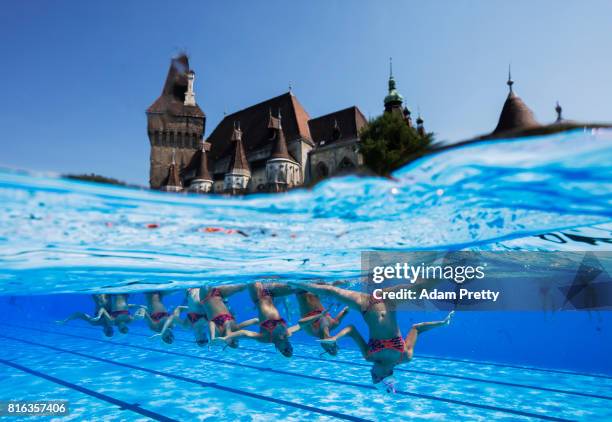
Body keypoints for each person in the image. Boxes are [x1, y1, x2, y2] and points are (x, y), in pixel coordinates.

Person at [289, 282, 453, 387]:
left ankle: (293, 282)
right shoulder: (405, 356)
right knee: (420, 289)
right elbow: (417, 328)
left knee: (331, 291)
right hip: (389, 300)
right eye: (375, 375)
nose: (371, 371)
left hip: (365, 305)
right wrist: (442, 323)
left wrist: (335, 338)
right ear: (387, 375)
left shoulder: (369, 356)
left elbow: (352, 330)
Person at [213, 282, 313, 357]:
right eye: (291, 349)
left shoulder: (266, 338)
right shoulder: (287, 334)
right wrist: (318, 316)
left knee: (253, 274)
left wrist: (226, 338)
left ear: (278, 349)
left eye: (286, 350)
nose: (289, 347)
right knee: (300, 287)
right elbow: (300, 326)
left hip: (258, 295)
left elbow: (245, 333)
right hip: (272, 293)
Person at [295, 288, 349, 355]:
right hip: (316, 288)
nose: (331, 344)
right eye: (334, 346)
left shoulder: (312, 331)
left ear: (322, 344)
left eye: (328, 349)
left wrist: (320, 315)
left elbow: (300, 322)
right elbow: (346, 310)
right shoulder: (333, 324)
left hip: (301, 290)